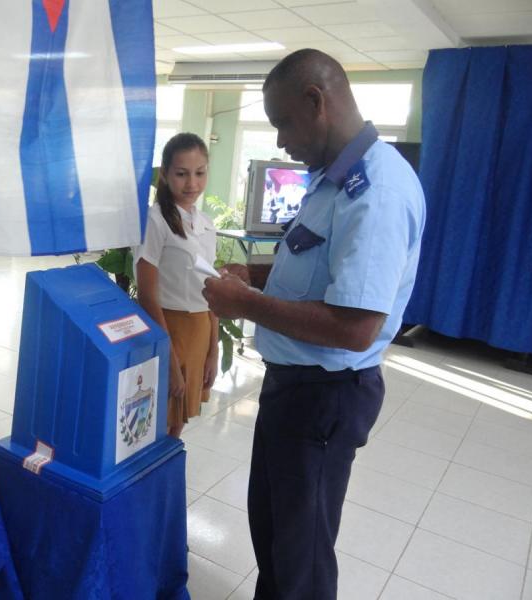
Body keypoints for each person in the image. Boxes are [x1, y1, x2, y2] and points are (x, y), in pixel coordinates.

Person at [202, 49, 426, 600]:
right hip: (295, 389)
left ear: (316, 102)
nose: (279, 142)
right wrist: (252, 277)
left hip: (322, 396)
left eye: (281, 123)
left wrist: (244, 304)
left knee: (302, 555)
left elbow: (354, 325)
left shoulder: (375, 192)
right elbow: (316, 268)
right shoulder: (333, 177)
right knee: (277, 534)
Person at [134, 132, 219, 438]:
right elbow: (147, 295)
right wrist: (168, 357)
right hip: (169, 328)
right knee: (156, 417)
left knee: (179, 419)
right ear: (166, 175)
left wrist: (214, 349)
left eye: (200, 173)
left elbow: (212, 290)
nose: (192, 184)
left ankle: (164, 475)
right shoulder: (154, 221)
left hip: (201, 329)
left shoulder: (206, 224)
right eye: (182, 174)